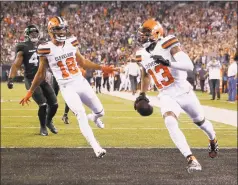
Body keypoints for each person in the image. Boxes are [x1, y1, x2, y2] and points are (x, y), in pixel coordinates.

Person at [19, 16, 115, 158]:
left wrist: (102, 67)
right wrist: (30, 91)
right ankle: (96, 147)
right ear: (51, 31)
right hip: (66, 87)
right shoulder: (45, 48)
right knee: (80, 114)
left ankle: (94, 117)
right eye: (58, 28)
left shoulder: (72, 42)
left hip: (81, 82)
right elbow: (40, 73)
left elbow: (83, 62)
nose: (62, 31)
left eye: (63, 28)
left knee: (101, 112)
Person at [134, 19, 218, 173]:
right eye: (141, 34)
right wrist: (142, 93)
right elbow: (146, 74)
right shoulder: (141, 55)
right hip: (166, 94)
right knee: (170, 122)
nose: (142, 37)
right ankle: (191, 159)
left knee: (201, 122)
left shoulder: (167, 43)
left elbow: (189, 66)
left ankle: (212, 139)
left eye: (146, 34)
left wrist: (168, 63)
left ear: (156, 33)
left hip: (184, 91)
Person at [8, 25, 58, 136]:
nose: (34, 35)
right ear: (27, 35)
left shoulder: (43, 44)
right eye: (32, 34)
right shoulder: (23, 46)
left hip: (42, 79)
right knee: (43, 104)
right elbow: (16, 64)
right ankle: (43, 127)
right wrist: (11, 78)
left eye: (36, 33)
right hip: (31, 79)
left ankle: (48, 121)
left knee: (54, 104)